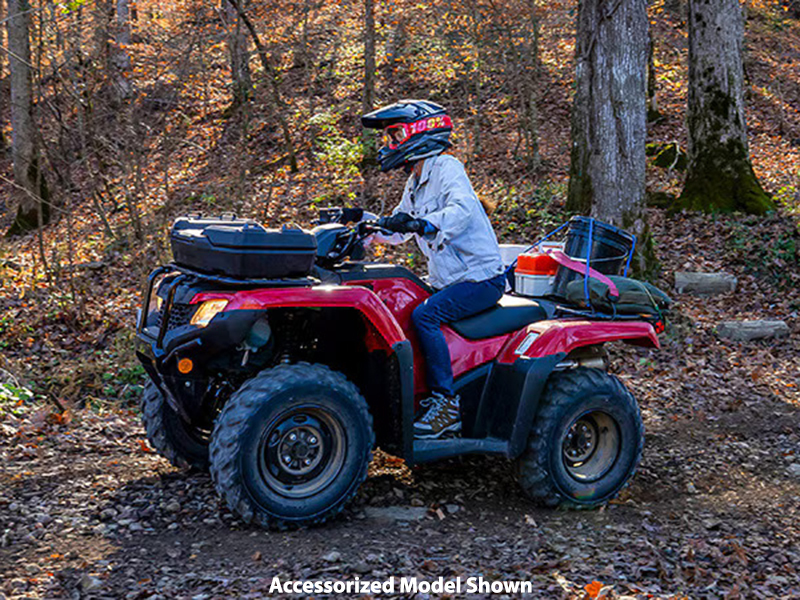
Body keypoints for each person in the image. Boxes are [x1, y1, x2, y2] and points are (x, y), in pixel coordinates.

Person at [361, 100, 505, 439]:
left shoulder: (445, 167)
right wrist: (369, 229)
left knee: (425, 316)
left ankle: (446, 405)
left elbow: (462, 211)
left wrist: (424, 223)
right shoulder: (415, 180)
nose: (389, 144)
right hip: (448, 279)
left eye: (394, 135)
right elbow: (399, 229)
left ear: (420, 132)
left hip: (481, 278)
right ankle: (416, 395)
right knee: (402, 305)